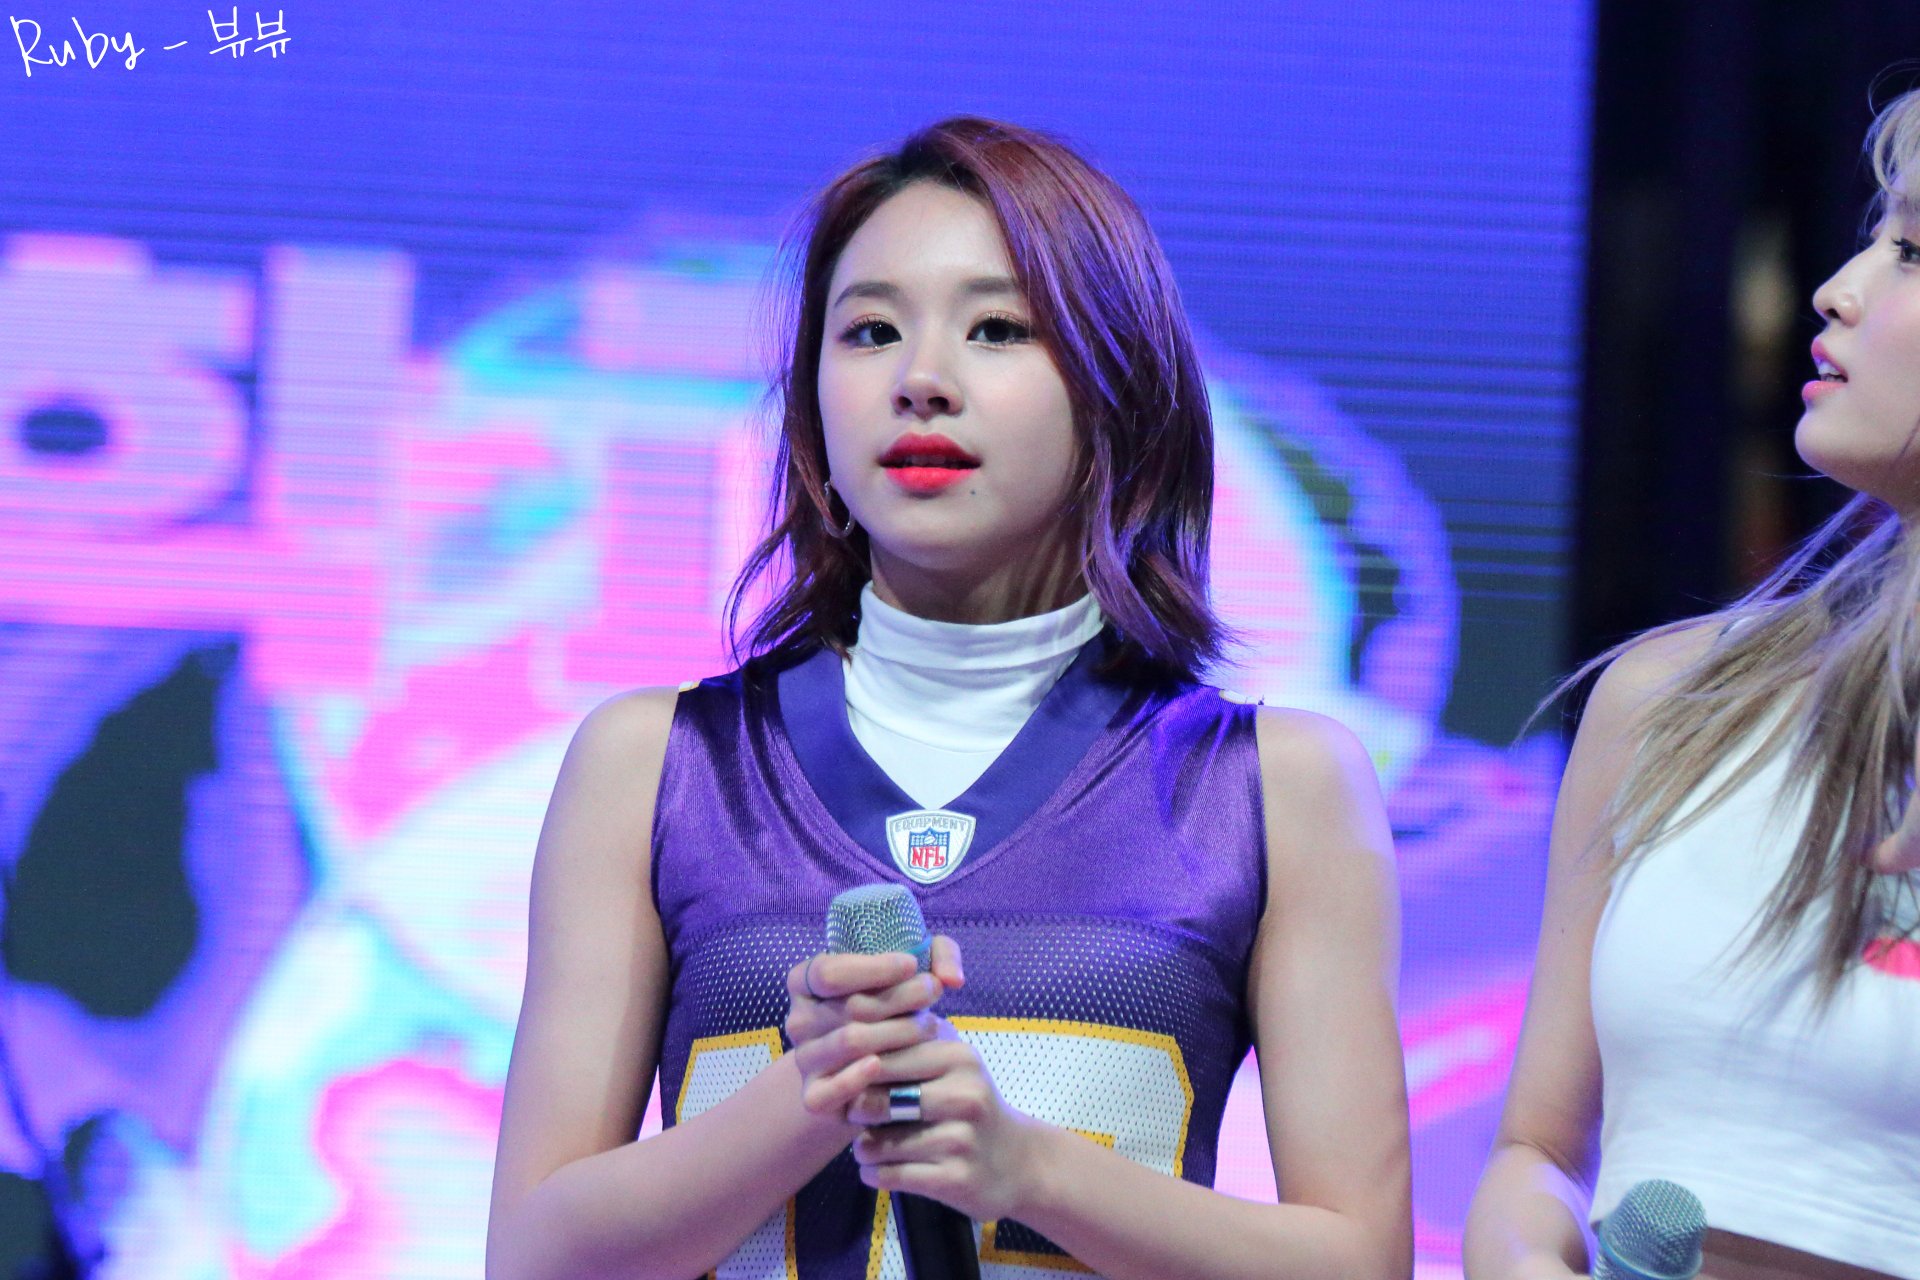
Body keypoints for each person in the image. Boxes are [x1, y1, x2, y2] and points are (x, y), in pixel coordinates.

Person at [485, 116, 1411, 1280]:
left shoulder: (1273, 785)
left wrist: (1032, 1171)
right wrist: (814, 1091)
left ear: (1118, 386)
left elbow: (1358, 1260)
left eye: (997, 329)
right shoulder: (656, 763)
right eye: (870, 331)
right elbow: (535, 1254)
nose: (920, 380)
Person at [1463, 88, 1920, 1280]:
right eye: (1875, 235)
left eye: (1914, 252)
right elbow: (1537, 1151)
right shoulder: (1670, 698)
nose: (1840, 288)